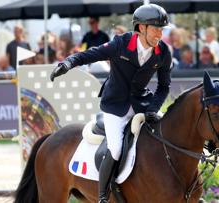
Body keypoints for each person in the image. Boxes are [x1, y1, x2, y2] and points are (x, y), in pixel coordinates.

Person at [50, 4, 172, 203]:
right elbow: (90, 54)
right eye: (156, 28)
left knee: (162, 139)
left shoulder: (164, 52)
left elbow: (164, 87)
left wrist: (153, 109)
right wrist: (68, 63)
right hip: (116, 106)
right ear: (142, 28)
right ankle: (103, 196)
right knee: (115, 148)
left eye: (162, 29)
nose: (160, 33)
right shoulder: (121, 44)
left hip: (143, 104)